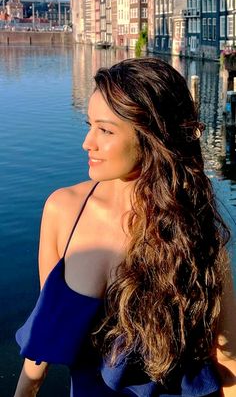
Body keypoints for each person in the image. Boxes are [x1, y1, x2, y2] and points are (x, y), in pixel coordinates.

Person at [14, 57, 236, 397]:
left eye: (105, 130)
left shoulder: (193, 225)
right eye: (89, 125)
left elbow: (225, 353)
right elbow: (47, 329)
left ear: (152, 137)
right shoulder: (63, 210)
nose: (88, 142)